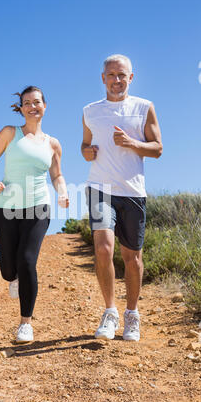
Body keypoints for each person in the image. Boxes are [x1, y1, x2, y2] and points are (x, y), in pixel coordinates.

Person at [82, 54, 162, 342]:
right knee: (103, 249)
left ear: (131, 77)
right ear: (103, 78)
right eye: (111, 75)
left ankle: (132, 315)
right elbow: (85, 143)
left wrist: (132, 143)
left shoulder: (144, 108)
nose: (117, 80)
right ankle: (110, 312)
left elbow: (157, 148)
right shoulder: (90, 111)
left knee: (133, 258)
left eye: (122, 75)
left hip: (132, 192)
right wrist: (85, 152)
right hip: (99, 187)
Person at [0, 86, 69, 343]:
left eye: (37, 102)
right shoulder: (10, 133)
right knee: (9, 270)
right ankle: (14, 278)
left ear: (45, 106)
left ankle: (25, 324)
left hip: (38, 206)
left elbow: (57, 175)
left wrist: (62, 192)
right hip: (7, 206)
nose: (33, 106)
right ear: (21, 108)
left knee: (27, 259)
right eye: (27, 102)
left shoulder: (53, 144)